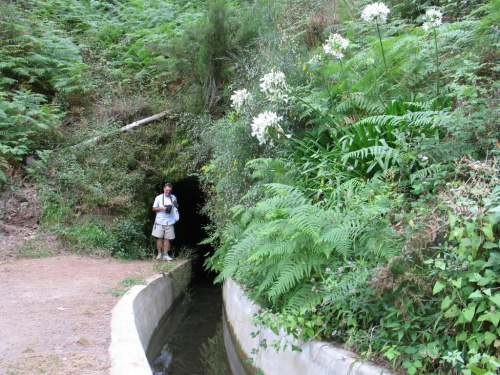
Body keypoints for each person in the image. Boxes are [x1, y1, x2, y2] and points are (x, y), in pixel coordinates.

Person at [152, 182, 178, 261]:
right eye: (166, 190)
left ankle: (165, 255)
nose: (168, 192)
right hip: (160, 220)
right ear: (164, 189)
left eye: (169, 191)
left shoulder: (173, 197)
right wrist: (162, 208)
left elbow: (176, 207)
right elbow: (153, 208)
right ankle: (159, 254)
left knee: (167, 238)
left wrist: (175, 203)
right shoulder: (158, 198)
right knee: (159, 238)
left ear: (171, 190)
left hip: (169, 221)